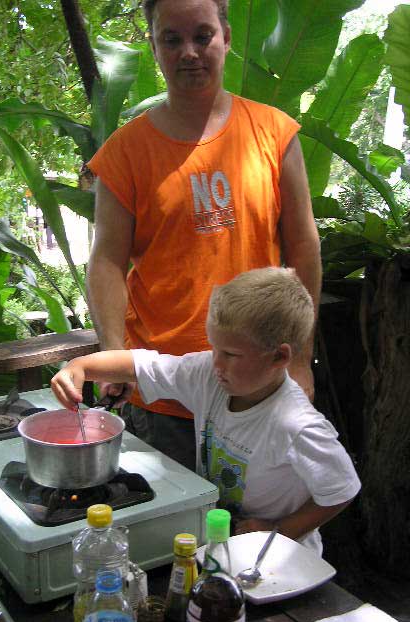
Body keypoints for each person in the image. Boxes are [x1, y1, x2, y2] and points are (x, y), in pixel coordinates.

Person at [85, 0, 322, 470]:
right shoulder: (125, 152)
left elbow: (304, 247)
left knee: (255, 515)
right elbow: (106, 260)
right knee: (177, 517)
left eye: (202, 35)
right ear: (154, 47)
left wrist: (299, 359)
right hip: (164, 391)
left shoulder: (274, 133)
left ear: (226, 38)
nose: (189, 52)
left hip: (259, 385)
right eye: (171, 39)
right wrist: (114, 353)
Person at [52, 268, 360, 555]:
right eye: (214, 348)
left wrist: (279, 531)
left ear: (279, 357)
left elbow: (342, 488)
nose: (216, 363)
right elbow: (141, 364)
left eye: (231, 354)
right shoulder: (209, 376)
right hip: (223, 540)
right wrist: (80, 367)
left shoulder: (297, 425)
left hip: (277, 559)